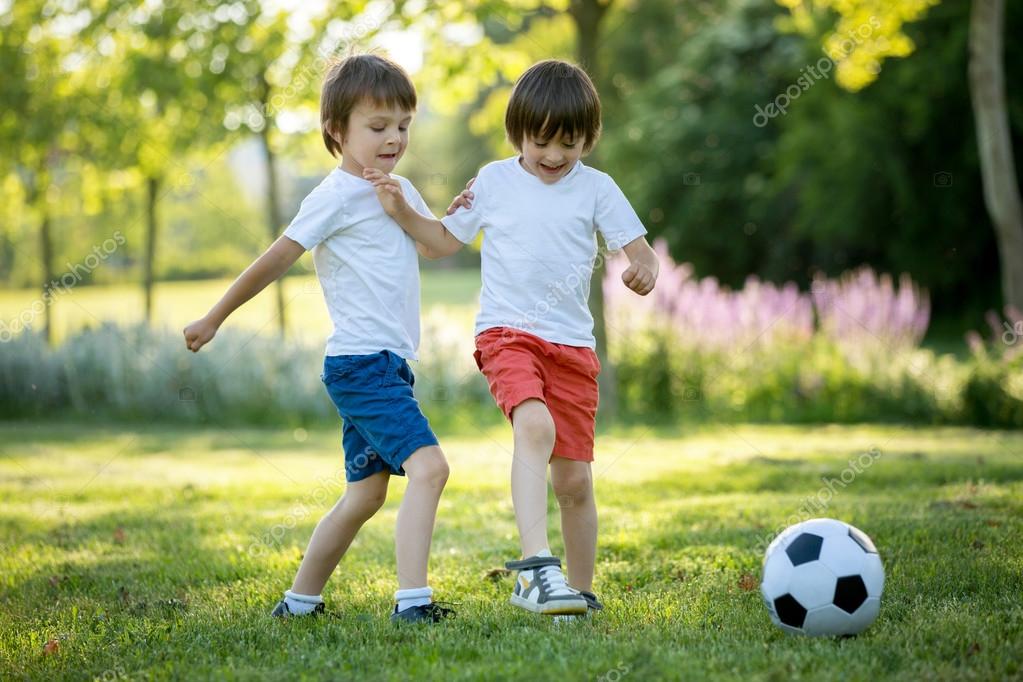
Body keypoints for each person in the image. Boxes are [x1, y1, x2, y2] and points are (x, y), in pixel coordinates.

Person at [365, 59, 659, 617]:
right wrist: (402, 210)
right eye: (540, 141)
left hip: (573, 348)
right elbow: (439, 243)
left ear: (588, 138)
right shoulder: (494, 181)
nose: (553, 155)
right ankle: (535, 569)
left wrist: (644, 270)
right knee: (535, 425)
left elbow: (640, 252)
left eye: (569, 143)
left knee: (573, 481)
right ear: (517, 132)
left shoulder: (598, 188)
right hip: (507, 335)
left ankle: (580, 590)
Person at [183, 54, 452, 624]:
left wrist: (411, 209)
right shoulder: (332, 196)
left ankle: (299, 603)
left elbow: (437, 246)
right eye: (377, 126)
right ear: (337, 130)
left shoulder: (400, 188)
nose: (394, 138)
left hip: (389, 365)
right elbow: (275, 259)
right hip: (361, 366)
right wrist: (214, 317)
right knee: (430, 468)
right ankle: (413, 603)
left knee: (365, 495)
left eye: (403, 125)